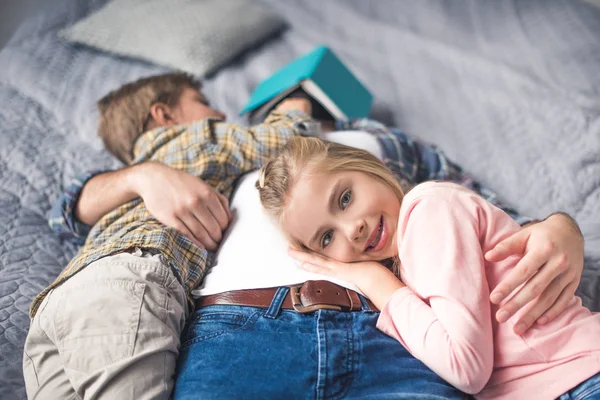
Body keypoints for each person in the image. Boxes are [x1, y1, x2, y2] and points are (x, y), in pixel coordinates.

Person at [28, 72, 584, 399]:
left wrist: (558, 226)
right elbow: (67, 210)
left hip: (401, 332)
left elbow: (489, 213)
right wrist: (142, 176)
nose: (222, 111)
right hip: (241, 327)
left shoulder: (380, 143)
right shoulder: (206, 152)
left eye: (346, 195)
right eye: (208, 108)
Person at [256, 136, 599, 399]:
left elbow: (468, 368)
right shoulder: (409, 257)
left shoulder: (428, 211)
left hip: (580, 377)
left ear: (370, 167)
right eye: (328, 237)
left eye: (345, 198)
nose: (352, 230)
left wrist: (374, 280)